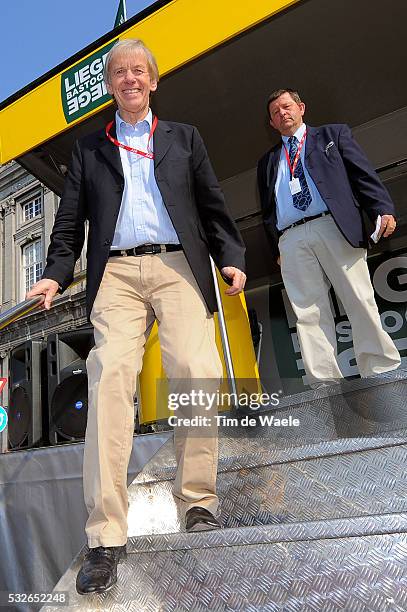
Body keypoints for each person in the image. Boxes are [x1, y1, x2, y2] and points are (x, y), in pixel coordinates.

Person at [27, 39, 246, 595]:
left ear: (152, 80)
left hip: (177, 264)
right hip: (117, 276)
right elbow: (70, 218)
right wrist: (55, 271)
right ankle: (105, 537)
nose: (128, 78)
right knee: (108, 385)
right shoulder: (89, 150)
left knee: (196, 369)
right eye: (118, 72)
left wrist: (231, 257)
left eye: (137, 70)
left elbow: (211, 202)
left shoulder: (183, 137)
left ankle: (197, 502)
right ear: (109, 86)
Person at [257, 88, 400, 387]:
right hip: (291, 238)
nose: (282, 113)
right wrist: (277, 248)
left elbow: (362, 175)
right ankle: (323, 386)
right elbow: (267, 211)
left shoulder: (332, 136)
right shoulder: (268, 161)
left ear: (301, 107)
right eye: (275, 112)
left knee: (358, 298)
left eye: (286, 107)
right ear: (271, 124)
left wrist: (382, 209)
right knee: (308, 313)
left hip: (332, 226)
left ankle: (381, 372)